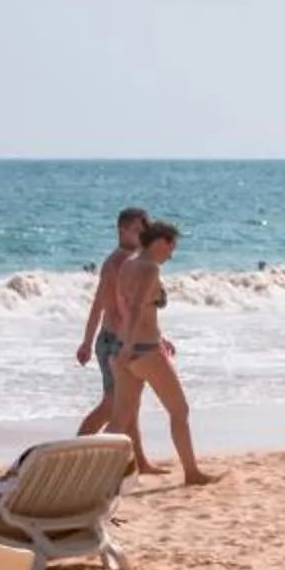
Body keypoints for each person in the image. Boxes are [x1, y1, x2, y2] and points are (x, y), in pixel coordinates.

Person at [112, 221, 219, 486]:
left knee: (119, 421)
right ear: (161, 242)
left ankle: (87, 475)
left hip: (123, 347)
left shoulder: (128, 264)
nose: (171, 255)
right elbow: (137, 307)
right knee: (179, 410)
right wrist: (138, 343)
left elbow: (125, 306)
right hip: (143, 350)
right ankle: (192, 473)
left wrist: (132, 342)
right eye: (171, 247)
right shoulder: (149, 268)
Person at [74, 206, 162, 471]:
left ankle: (141, 462)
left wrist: (88, 341)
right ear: (121, 230)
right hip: (116, 341)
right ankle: (76, 455)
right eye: (136, 230)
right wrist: (88, 342)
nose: (140, 234)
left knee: (130, 405)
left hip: (116, 339)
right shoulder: (121, 261)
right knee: (113, 406)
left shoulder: (126, 259)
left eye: (143, 230)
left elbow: (101, 304)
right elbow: (111, 306)